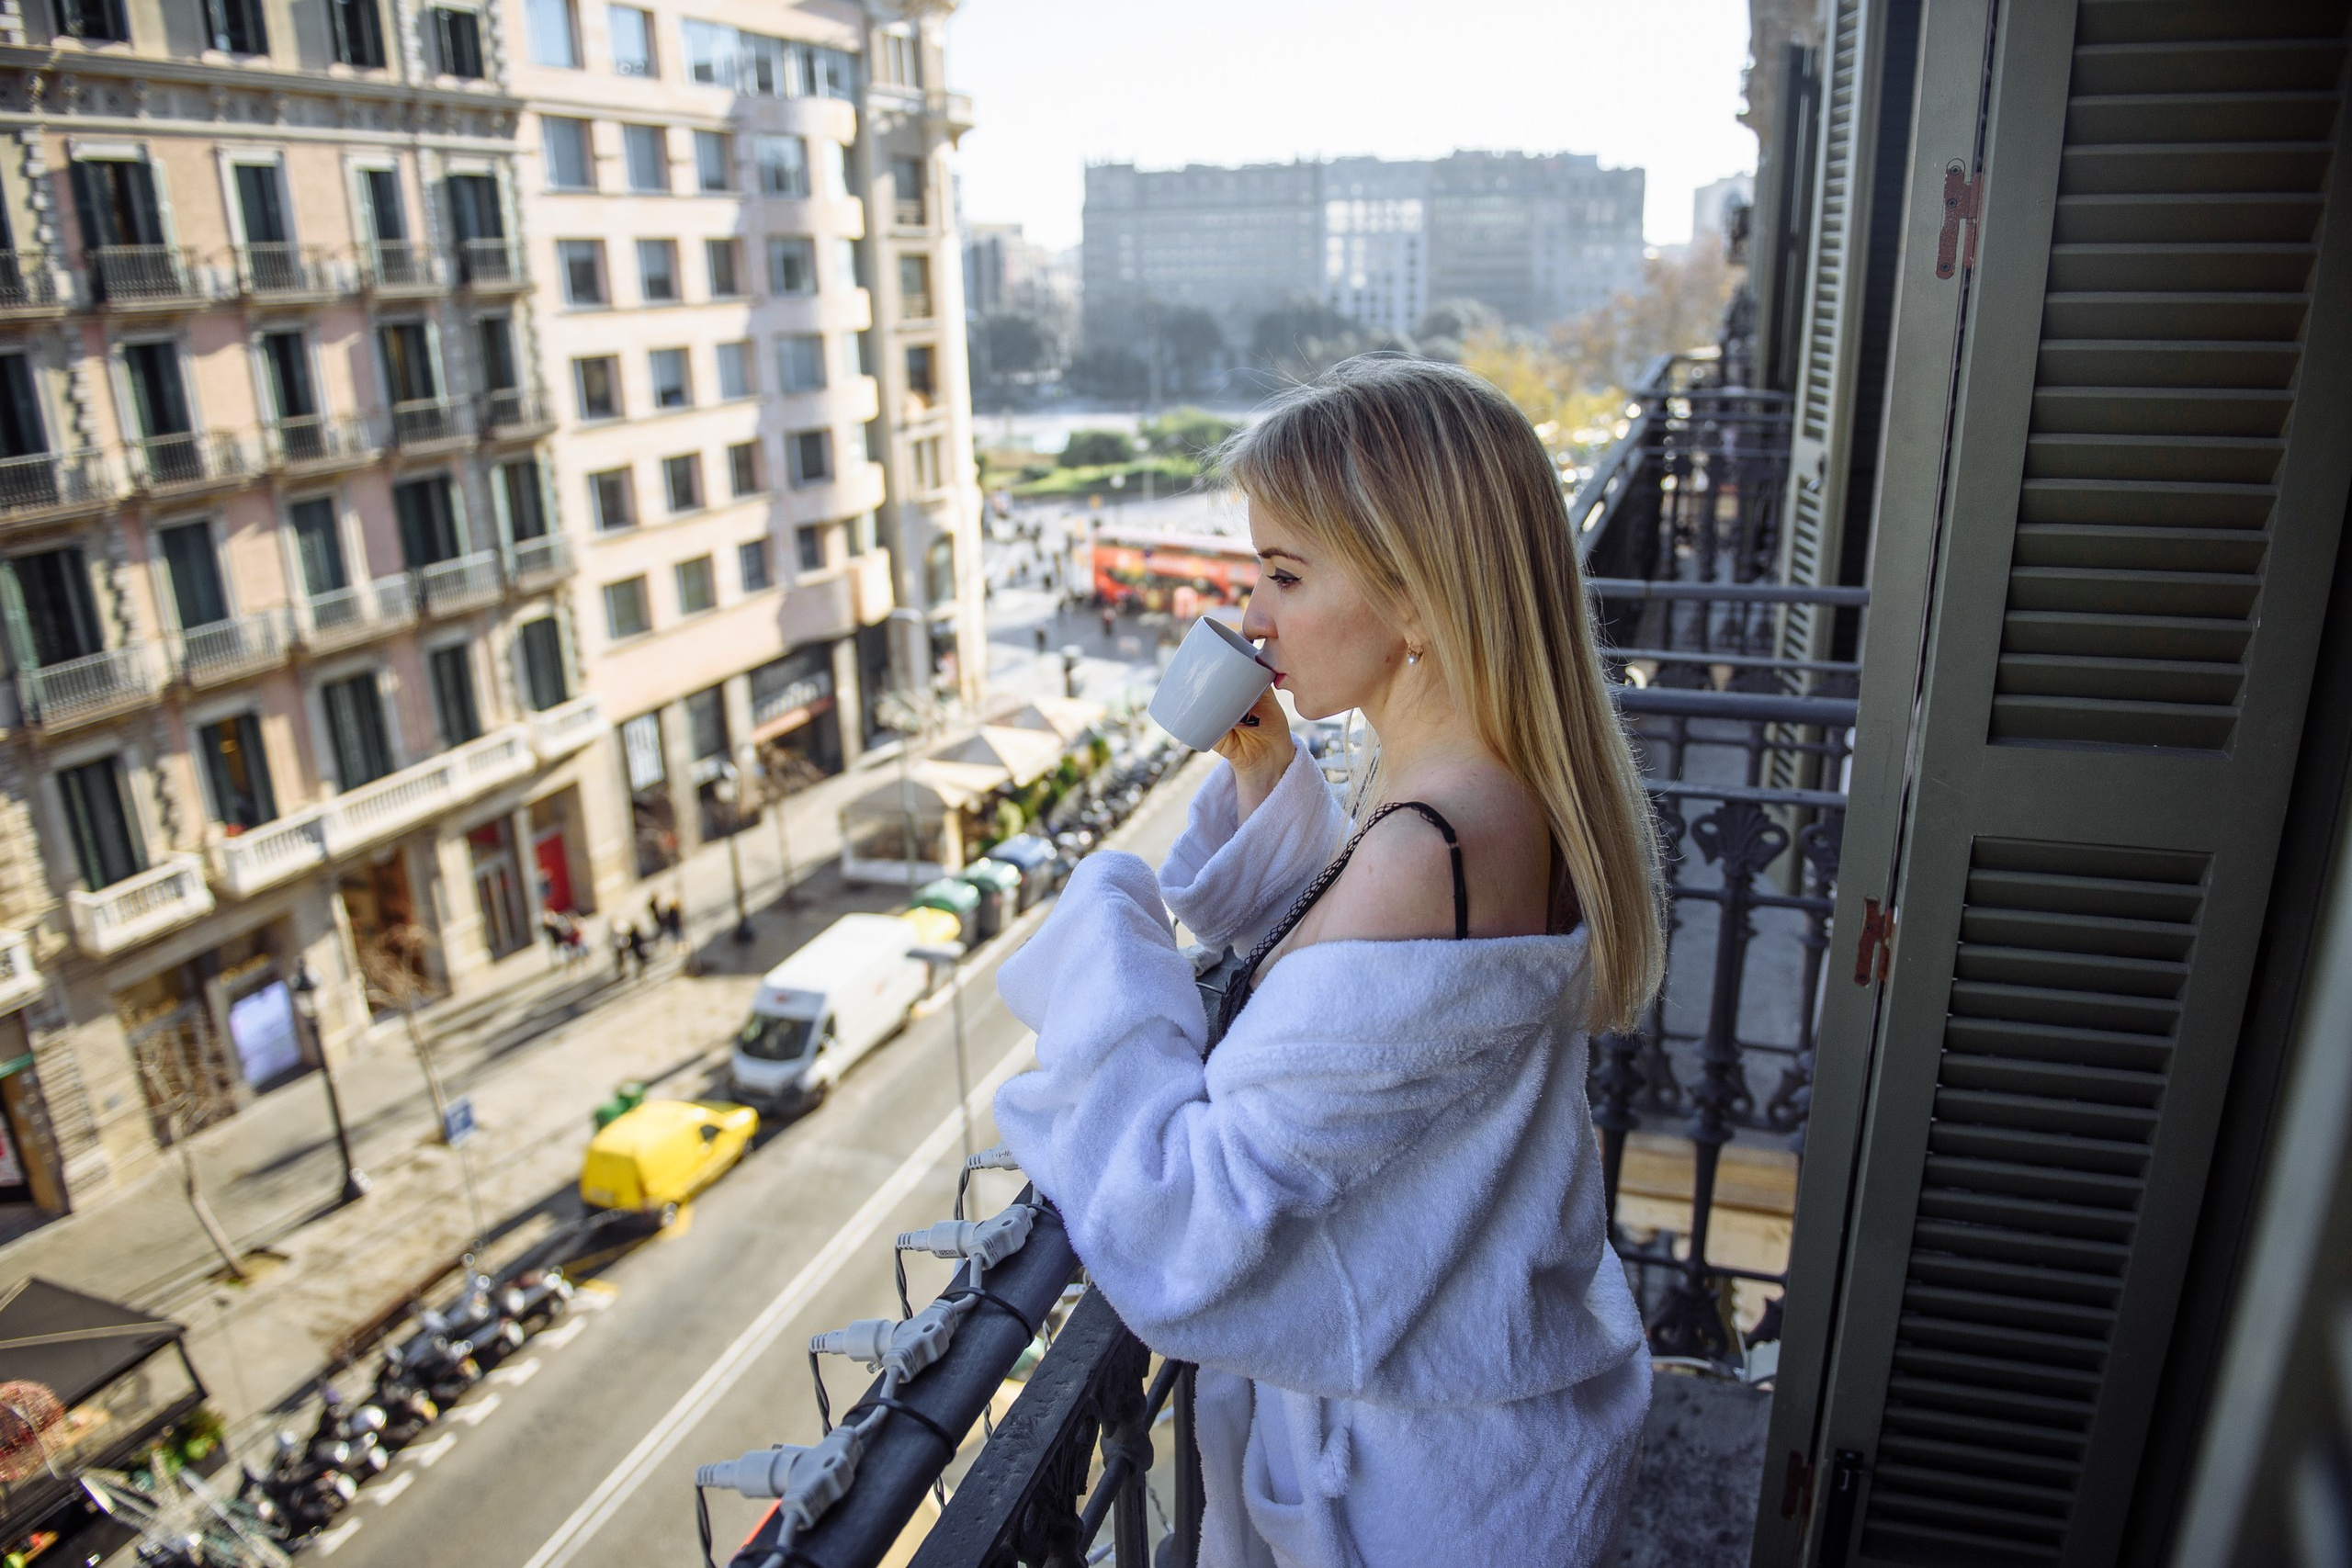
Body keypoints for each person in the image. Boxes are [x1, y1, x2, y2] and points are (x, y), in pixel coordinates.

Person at [994, 355, 1662, 1566]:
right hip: (1489, 1439)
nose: (1251, 616)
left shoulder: (1430, 848)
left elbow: (1186, 1231)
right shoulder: (1489, 794)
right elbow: (1374, 1031)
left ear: (1420, 600)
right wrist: (1266, 784)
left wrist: (1107, 917)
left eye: (1286, 576)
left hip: (1419, 1497)